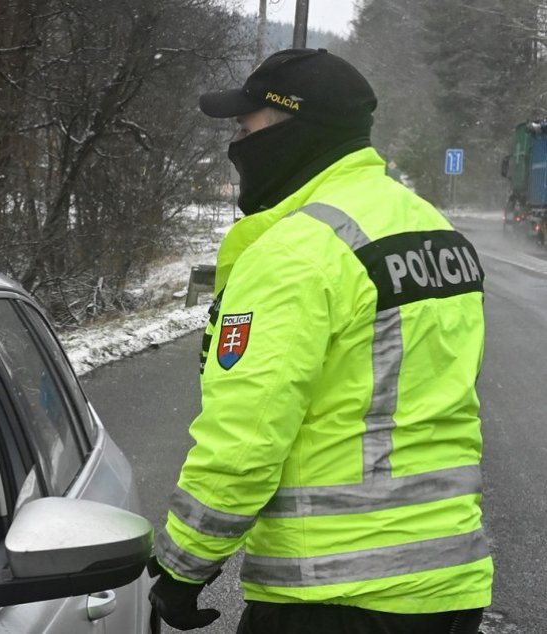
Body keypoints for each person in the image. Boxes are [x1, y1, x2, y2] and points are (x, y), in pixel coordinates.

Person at [149, 48, 491, 634]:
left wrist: (185, 567)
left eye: (246, 124)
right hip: (451, 586)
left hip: (337, 597)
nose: (237, 141)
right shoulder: (436, 232)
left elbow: (246, 439)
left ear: (290, 129)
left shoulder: (297, 251)